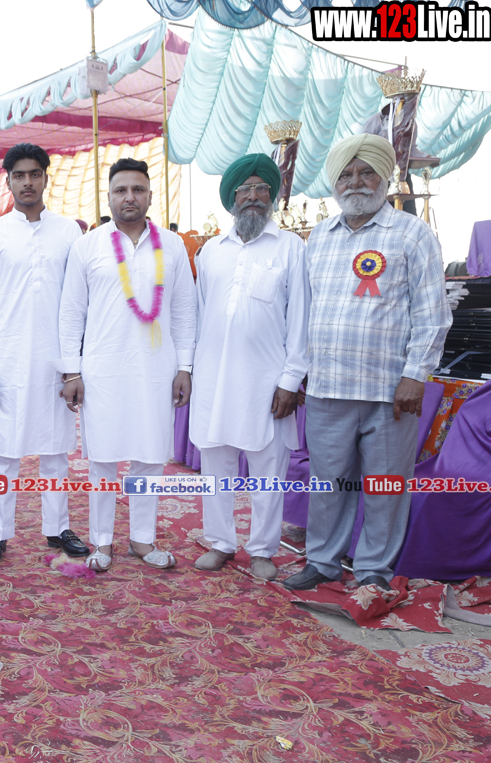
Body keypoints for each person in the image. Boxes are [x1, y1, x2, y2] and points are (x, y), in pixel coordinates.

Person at [283, 134, 451, 592]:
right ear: (334, 183)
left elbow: (433, 314)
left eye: (366, 172)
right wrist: (299, 372)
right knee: (328, 483)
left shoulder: (412, 233)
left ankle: (374, 569)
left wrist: (415, 375)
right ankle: (322, 562)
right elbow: (303, 312)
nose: (355, 182)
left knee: (385, 486)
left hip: (389, 390)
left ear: (385, 177)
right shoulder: (319, 237)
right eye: (346, 174)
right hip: (327, 387)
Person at [57, 158, 196, 571]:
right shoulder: (88, 246)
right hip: (102, 369)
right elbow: (71, 313)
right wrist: (71, 371)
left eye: (138, 189)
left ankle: (142, 539)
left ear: (150, 196)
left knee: (149, 456)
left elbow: (185, 311)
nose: (129, 197)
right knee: (102, 458)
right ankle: (101, 542)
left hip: (156, 368)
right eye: (121, 190)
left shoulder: (172, 245)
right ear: (109, 197)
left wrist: (185, 367)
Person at [190, 154, 309, 581]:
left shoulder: (291, 248)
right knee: (216, 467)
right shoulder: (211, 252)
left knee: (267, 470)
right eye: (246, 189)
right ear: (232, 198)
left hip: (267, 382)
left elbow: (300, 318)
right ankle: (220, 542)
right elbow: (199, 315)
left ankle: (262, 549)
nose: (254, 196)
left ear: (272, 196)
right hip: (213, 378)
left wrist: (291, 379)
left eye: (262, 189)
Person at [0, 143, 87, 566]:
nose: (27, 182)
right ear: (8, 181)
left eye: (34, 174)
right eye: (18, 175)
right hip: (8, 359)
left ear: (45, 178)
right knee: (3, 452)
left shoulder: (69, 232)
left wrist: (74, 367)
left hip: (56, 360)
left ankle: (58, 528)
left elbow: (78, 301)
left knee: (56, 451)